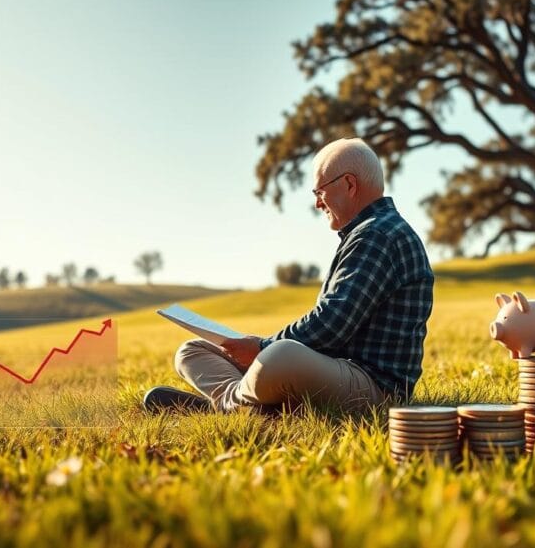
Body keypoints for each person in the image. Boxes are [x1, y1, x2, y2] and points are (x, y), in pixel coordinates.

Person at [143, 138, 434, 413]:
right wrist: (258, 348)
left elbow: (331, 325)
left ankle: (230, 407)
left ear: (348, 184)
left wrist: (261, 348)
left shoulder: (377, 235)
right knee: (193, 350)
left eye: (320, 191)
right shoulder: (369, 232)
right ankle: (253, 404)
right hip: (337, 369)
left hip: (374, 388)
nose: (318, 203)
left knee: (280, 358)